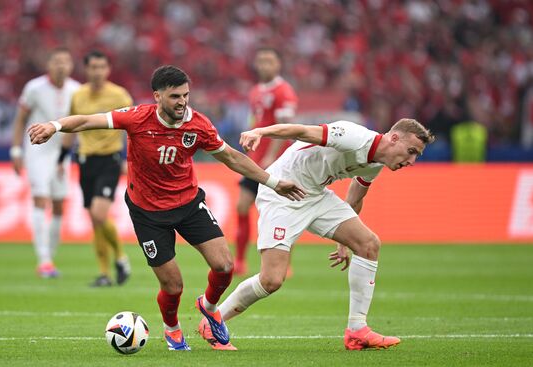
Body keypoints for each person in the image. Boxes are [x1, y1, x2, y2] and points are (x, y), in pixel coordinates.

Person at [27, 65, 305, 351]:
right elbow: (88, 121)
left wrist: (273, 182)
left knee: (224, 266)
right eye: (175, 96)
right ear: (157, 96)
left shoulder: (198, 124)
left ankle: (209, 309)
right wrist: (55, 126)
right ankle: (172, 328)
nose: (182, 102)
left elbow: (232, 157)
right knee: (173, 285)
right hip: (147, 212)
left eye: (185, 95)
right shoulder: (137, 118)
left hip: (188, 203)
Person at [198, 118, 435, 350]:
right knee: (272, 280)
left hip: (316, 195)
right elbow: (301, 131)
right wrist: (261, 131)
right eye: (411, 151)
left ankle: (357, 330)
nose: (412, 160)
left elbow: (355, 195)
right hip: (283, 192)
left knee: (368, 244)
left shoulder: (376, 162)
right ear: (394, 138)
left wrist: (344, 242)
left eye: (417, 155)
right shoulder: (354, 136)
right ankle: (213, 318)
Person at [60, 50, 133, 287]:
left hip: (110, 159)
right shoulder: (78, 95)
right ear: (86, 69)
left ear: (108, 69)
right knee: (94, 218)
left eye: (102, 67)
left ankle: (121, 258)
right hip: (85, 160)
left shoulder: (119, 95)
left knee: (99, 213)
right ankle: (104, 273)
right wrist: (61, 157)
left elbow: (134, 130)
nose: (98, 72)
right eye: (93, 67)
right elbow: (72, 126)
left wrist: (128, 158)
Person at [10, 47, 80, 278]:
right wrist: (16, 150)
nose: (61, 66)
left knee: (59, 204)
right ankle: (44, 260)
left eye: (65, 61)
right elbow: (20, 119)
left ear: (71, 66)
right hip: (37, 149)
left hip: (62, 153)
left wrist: (65, 155)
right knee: (41, 198)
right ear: (49, 64)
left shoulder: (76, 90)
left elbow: (76, 126)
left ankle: (50, 256)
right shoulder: (34, 88)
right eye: (57, 61)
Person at [234, 47, 298, 276]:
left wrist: (272, 154)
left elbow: (286, 129)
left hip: (279, 161)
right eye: (260, 61)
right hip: (256, 161)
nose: (264, 66)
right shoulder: (255, 91)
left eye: (269, 61)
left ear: (278, 65)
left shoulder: (284, 91)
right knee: (242, 206)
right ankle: (240, 261)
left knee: (282, 212)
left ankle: (284, 262)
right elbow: (255, 121)